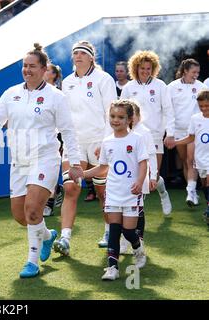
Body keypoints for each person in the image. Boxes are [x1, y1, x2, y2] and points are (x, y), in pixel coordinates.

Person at [0, 43, 83, 278]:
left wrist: (74, 163)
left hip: (45, 159)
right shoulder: (12, 93)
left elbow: (68, 131)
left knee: (33, 210)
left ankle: (31, 262)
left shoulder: (56, 97)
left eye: (32, 66)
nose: (27, 70)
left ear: (44, 69)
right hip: (19, 162)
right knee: (22, 216)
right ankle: (47, 235)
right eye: (24, 66)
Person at [56, 40, 117, 254]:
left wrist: (106, 142)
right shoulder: (68, 82)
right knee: (71, 188)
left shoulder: (104, 79)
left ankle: (110, 230)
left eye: (83, 53)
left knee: (103, 192)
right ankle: (65, 238)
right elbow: (64, 115)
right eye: (75, 53)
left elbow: (112, 113)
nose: (78, 56)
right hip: (75, 144)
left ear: (92, 57)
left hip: (99, 142)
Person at [84, 100, 148, 281]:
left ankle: (139, 250)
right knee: (114, 229)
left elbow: (143, 163)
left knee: (128, 231)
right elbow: (103, 167)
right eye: (112, 116)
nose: (115, 120)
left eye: (120, 117)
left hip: (131, 193)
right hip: (112, 192)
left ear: (129, 119)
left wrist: (140, 181)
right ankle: (112, 267)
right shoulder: (107, 142)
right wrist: (84, 173)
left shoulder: (137, 139)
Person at [121, 50, 174, 217]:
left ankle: (163, 194)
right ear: (136, 68)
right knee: (136, 174)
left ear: (153, 69)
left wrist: (170, 133)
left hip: (155, 135)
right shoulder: (129, 87)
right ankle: (135, 212)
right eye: (142, 68)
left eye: (148, 68)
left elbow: (168, 111)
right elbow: (121, 110)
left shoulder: (160, 86)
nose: (145, 71)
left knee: (154, 175)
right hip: (133, 136)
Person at [119, 101, 157, 254]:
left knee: (137, 210)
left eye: (132, 115)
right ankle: (124, 240)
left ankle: (138, 240)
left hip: (139, 178)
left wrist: (153, 176)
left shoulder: (144, 132)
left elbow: (151, 155)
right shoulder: (121, 132)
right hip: (123, 179)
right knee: (122, 210)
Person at [167, 59, 207, 207]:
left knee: (191, 160)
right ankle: (192, 190)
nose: (196, 75)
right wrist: (170, 132)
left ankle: (190, 191)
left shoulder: (202, 87)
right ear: (185, 71)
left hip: (195, 130)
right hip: (178, 130)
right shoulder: (172, 87)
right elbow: (169, 111)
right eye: (193, 72)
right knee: (185, 160)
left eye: (198, 72)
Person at [170, 89, 209, 227]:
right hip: (201, 158)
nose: (204, 109)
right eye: (201, 106)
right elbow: (191, 137)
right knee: (205, 185)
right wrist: (176, 142)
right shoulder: (195, 119)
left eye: (207, 106)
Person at [42, 62, 64, 217]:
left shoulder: (59, 93)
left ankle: (49, 204)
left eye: (48, 70)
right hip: (41, 138)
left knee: (51, 168)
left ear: (54, 75)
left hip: (57, 136)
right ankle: (56, 191)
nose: (45, 72)